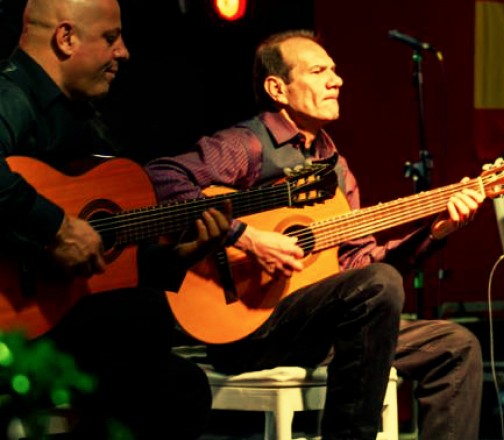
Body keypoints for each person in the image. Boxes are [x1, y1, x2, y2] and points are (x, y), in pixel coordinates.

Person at [145, 29, 485, 440]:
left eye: (334, 71)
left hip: (321, 327)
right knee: (378, 285)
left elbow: (361, 267)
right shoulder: (248, 144)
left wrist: (432, 232)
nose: (336, 80)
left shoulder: (335, 167)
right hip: (248, 326)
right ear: (278, 89)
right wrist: (246, 237)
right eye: (319, 71)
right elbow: (161, 178)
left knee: (456, 346)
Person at [0, 0, 232, 438]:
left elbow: (108, 260)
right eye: (111, 38)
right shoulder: (10, 96)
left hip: (63, 323)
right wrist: (56, 227)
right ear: (66, 38)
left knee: (181, 384)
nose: (124, 52)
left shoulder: (85, 122)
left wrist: (179, 257)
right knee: (145, 324)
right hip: (12, 330)